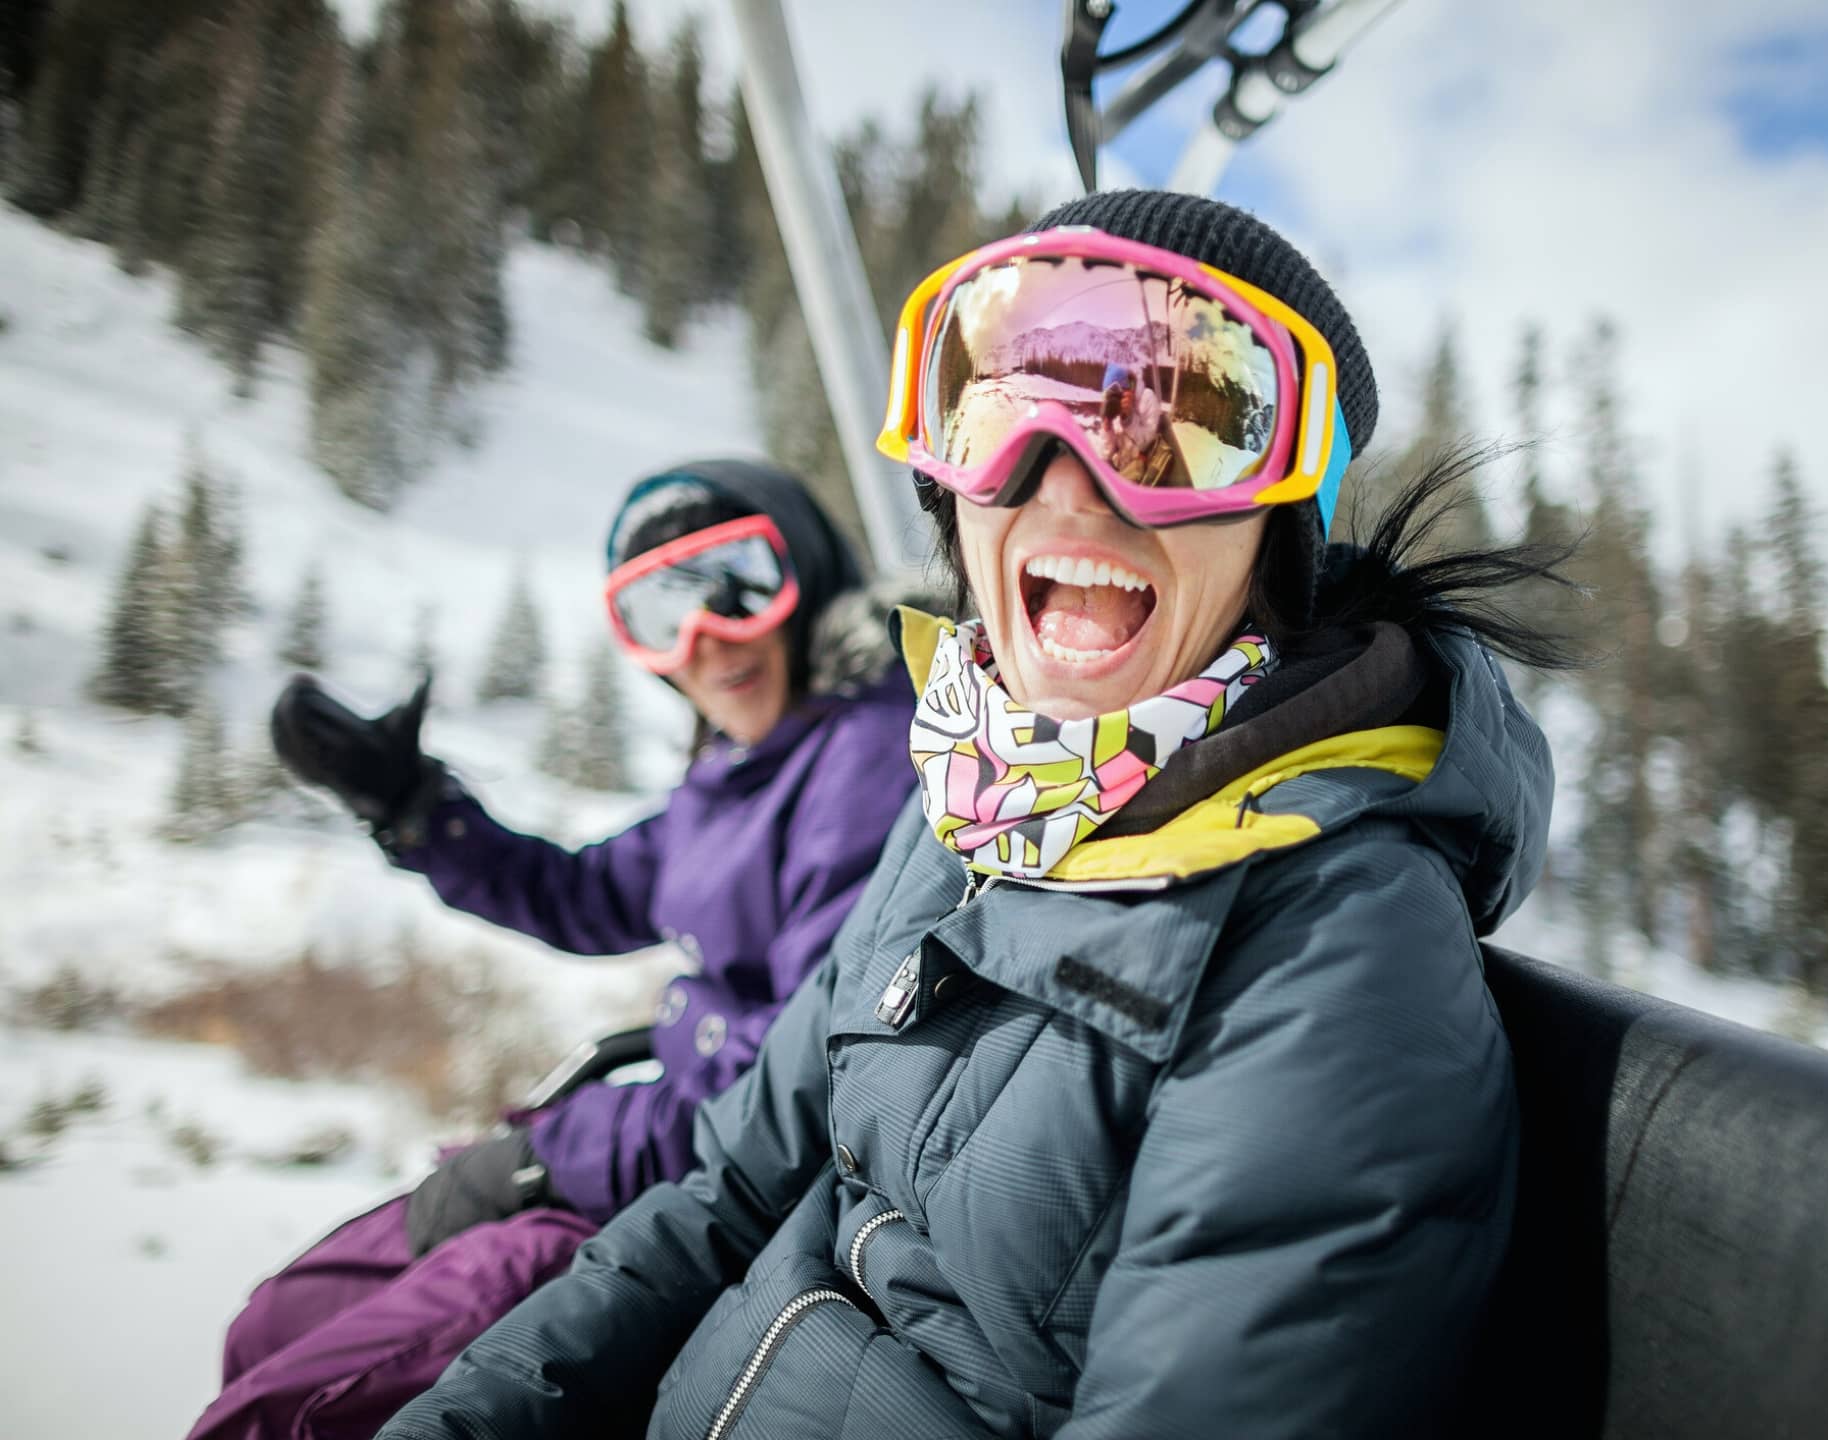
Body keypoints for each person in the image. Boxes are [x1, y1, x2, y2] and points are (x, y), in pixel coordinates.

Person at [380, 192, 1572, 1439]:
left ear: (1280, 521)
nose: (1069, 487)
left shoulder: (1336, 949)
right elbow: (723, 1196)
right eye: (997, 404)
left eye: (1171, 424)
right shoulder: (963, 804)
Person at [187, 459, 919, 1440]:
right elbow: (585, 892)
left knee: (283, 1415)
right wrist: (418, 810)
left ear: (810, 584)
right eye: (662, 614)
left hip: (686, 1199)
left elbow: (784, 1094)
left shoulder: (863, 760)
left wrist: (540, 1161)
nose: (705, 641)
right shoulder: (742, 768)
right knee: (273, 1323)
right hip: (638, 1151)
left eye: (737, 589)